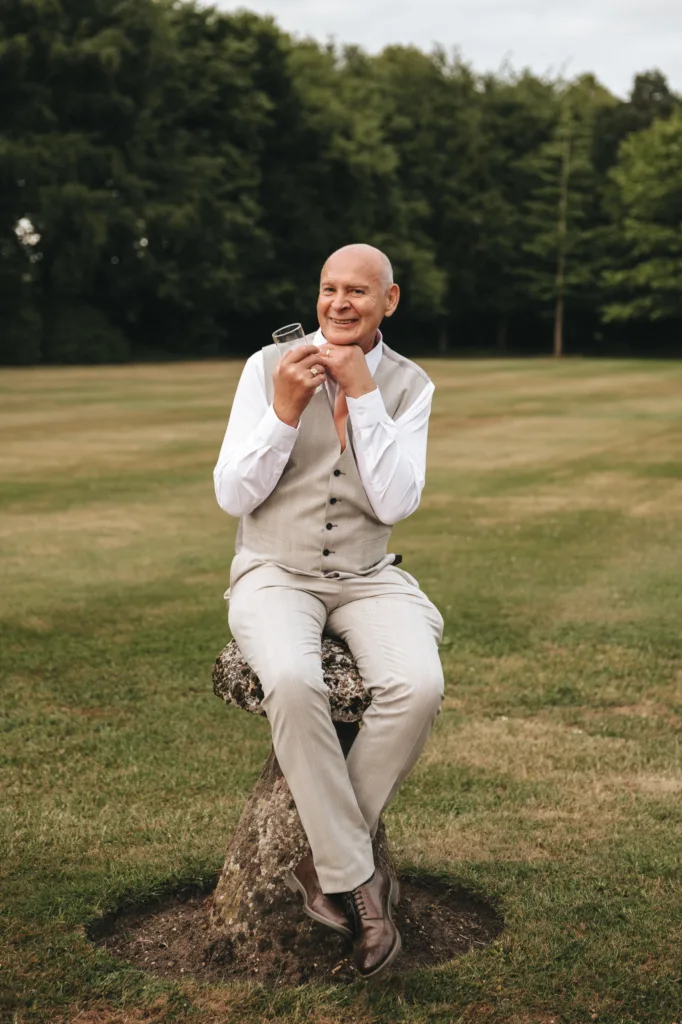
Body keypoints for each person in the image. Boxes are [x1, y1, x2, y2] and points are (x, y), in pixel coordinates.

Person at [213, 243, 444, 978]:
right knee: (292, 677)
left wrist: (364, 400)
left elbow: (398, 501)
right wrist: (284, 412)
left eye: (357, 292)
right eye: (328, 290)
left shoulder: (410, 385)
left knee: (419, 686)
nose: (339, 304)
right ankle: (360, 888)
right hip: (274, 569)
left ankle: (321, 866)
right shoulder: (265, 368)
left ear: (390, 300)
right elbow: (232, 496)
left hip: (369, 574)